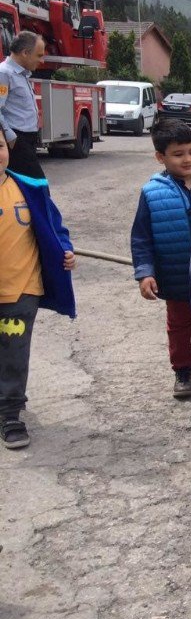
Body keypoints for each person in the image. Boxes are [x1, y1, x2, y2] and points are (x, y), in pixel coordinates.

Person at [130, 120, 191, 399]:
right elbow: (141, 238)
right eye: (179, 154)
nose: (188, 159)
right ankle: (183, 370)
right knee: (179, 327)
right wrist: (145, 273)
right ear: (161, 157)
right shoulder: (152, 192)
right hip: (176, 277)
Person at [0, 137, 76, 449]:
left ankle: (10, 414)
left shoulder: (29, 188)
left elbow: (55, 227)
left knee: (14, 355)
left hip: (21, 289)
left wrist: (65, 249)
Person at [0, 31, 46, 179]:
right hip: (17, 140)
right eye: (39, 55)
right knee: (38, 185)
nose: (42, 60)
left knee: (22, 188)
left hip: (28, 140)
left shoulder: (22, 74)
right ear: (25, 53)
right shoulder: (4, 73)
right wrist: (11, 137)